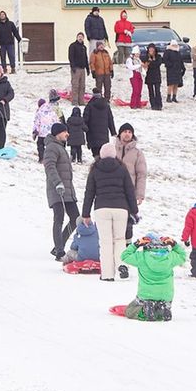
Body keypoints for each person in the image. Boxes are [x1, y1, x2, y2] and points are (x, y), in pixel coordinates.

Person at [80, 142, 138, 284]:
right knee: (120, 239)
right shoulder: (122, 168)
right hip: (120, 208)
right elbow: (130, 191)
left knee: (105, 242)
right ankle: (122, 265)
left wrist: (85, 214)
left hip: (102, 208)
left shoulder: (95, 169)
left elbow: (89, 193)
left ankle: (107, 274)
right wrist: (134, 211)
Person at [118, 236, 187, 321]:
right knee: (159, 311)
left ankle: (146, 309)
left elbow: (124, 256)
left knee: (129, 311)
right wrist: (174, 244)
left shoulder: (141, 257)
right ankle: (163, 307)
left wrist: (136, 244)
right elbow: (183, 256)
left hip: (146, 295)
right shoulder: (171, 257)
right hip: (165, 295)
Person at [43, 123, 78, 260]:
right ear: (58, 133)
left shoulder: (61, 147)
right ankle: (59, 251)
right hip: (56, 190)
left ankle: (59, 245)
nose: (67, 134)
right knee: (59, 218)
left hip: (67, 191)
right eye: (65, 132)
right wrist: (58, 183)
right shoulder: (52, 147)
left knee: (75, 218)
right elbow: (49, 166)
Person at [113, 123, 148, 223]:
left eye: (130, 132)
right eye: (125, 132)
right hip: (112, 190)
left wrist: (140, 194)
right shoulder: (111, 149)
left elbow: (141, 174)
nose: (127, 134)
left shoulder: (137, 153)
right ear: (120, 134)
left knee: (127, 222)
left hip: (129, 192)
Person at [83, 93, 116, 158]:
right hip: (104, 136)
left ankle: (97, 161)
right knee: (103, 153)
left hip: (92, 135)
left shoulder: (89, 106)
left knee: (96, 154)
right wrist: (113, 132)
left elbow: (85, 119)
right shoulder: (106, 106)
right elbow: (110, 120)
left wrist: (84, 128)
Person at [31, 97, 55, 162]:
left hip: (41, 133)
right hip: (50, 134)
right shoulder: (52, 112)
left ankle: (41, 158)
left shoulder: (39, 112)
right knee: (49, 147)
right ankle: (49, 159)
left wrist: (35, 131)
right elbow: (55, 122)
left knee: (40, 146)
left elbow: (37, 123)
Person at [68, 32, 89, 104]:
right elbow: (71, 57)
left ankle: (81, 101)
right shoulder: (73, 46)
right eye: (79, 36)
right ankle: (75, 101)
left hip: (83, 69)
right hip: (76, 68)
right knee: (75, 85)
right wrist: (73, 66)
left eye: (82, 37)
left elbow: (85, 58)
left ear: (83, 38)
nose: (80, 38)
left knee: (82, 86)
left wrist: (87, 68)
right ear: (77, 37)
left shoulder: (84, 47)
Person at [142, 44, 163, 110]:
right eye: (150, 49)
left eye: (152, 49)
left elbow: (158, 64)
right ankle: (153, 105)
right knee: (151, 92)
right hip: (149, 76)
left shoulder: (158, 56)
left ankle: (159, 105)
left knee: (157, 91)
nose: (151, 50)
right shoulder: (145, 57)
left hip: (157, 76)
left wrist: (151, 62)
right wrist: (150, 62)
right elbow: (145, 65)